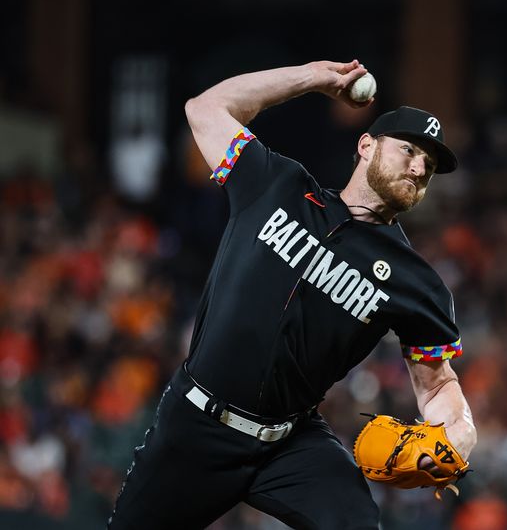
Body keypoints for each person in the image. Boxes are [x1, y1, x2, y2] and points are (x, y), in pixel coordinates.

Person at [107, 59, 477, 530]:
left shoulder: (416, 282)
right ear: (366, 146)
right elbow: (206, 108)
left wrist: (457, 436)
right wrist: (313, 78)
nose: (421, 167)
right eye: (409, 150)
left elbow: (439, 384)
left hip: (290, 442)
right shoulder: (274, 184)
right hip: (195, 425)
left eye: (430, 165)